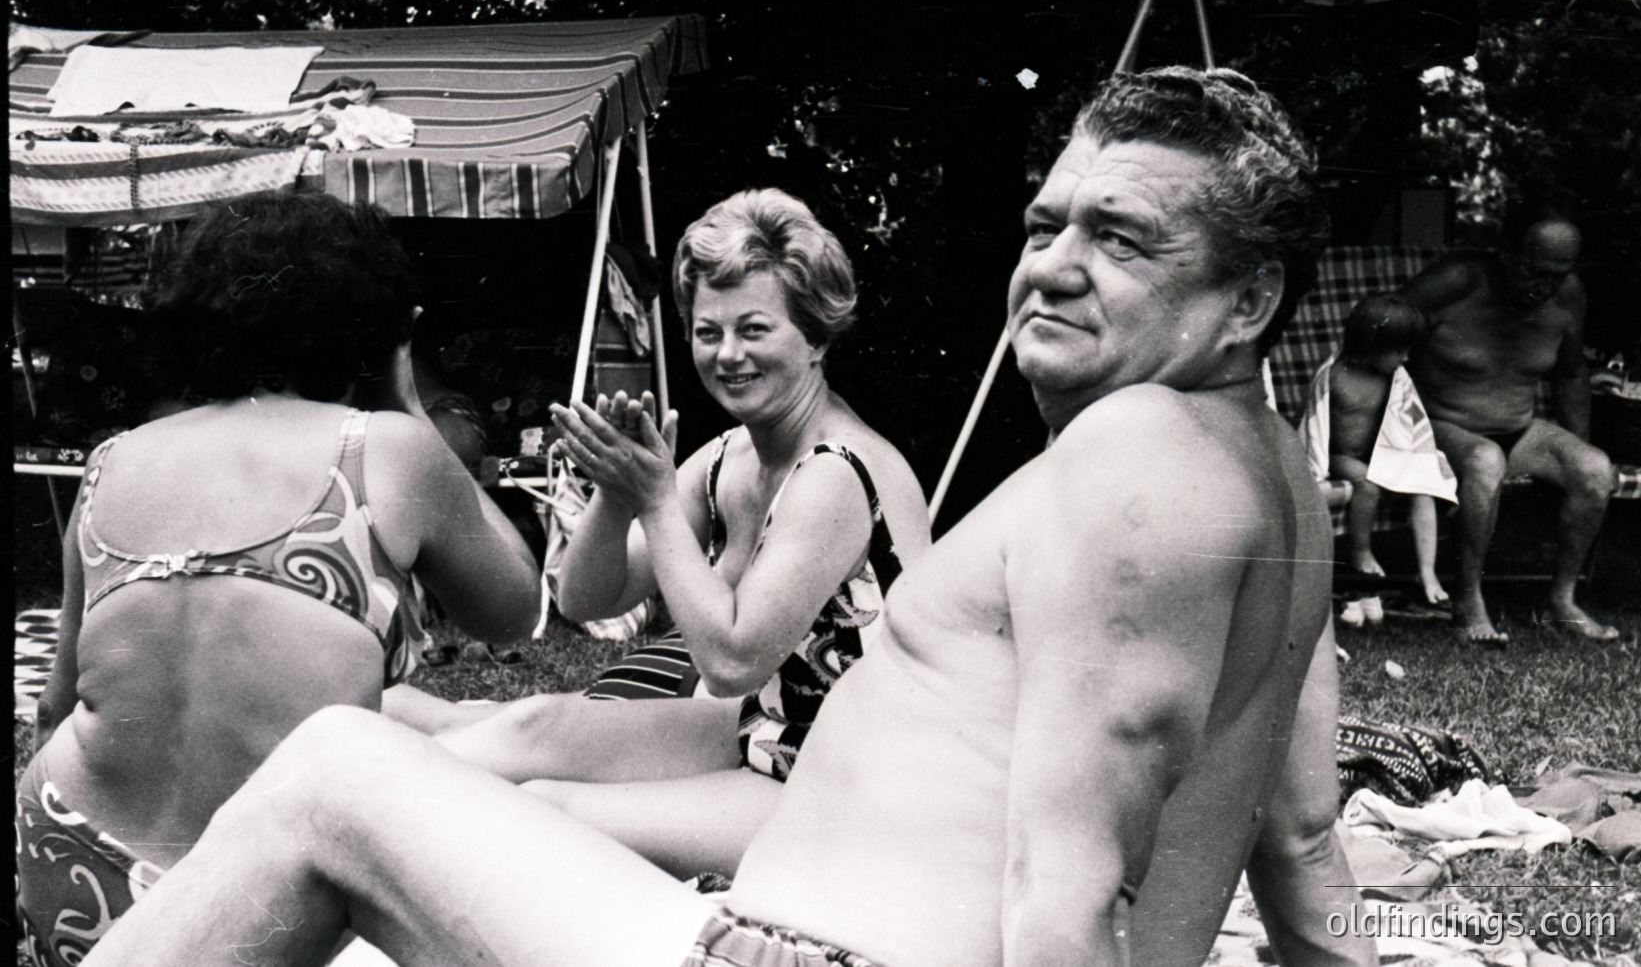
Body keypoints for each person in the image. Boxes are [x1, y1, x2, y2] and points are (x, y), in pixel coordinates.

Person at [82, 68, 1374, 967]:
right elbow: (1304, 852)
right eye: (1047, 222)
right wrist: (626, 493)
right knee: (422, 745)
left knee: (331, 769)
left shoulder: (1133, 461)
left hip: (812, 951)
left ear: (1248, 297)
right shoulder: (1269, 492)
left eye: (1122, 237)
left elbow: (1066, 885)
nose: (1052, 263)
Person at [16, 192, 541, 967]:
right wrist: (410, 403)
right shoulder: (382, 449)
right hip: (267, 891)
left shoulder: (114, 460)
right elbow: (515, 609)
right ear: (373, 326)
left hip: (73, 856)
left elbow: (58, 703)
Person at [420, 189, 932, 878]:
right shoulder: (732, 455)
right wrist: (616, 492)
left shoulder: (836, 472)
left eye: (754, 329)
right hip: (770, 731)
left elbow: (729, 661)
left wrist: (657, 500)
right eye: (707, 330)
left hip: (860, 784)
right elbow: (584, 598)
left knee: (549, 810)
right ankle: (350, 797)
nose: (727, 355)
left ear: (813, 338)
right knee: (536, 723)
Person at [1400, 213, 1619, 644]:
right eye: (1535, 272)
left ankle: (1563, 602)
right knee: (1486, 459)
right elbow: (1380, 331)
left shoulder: (1567, 297)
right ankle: (1468, 601)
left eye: (1559, 275)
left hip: (1519, 429)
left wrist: (1576, 444)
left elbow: (1572, 374)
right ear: (1506, 255)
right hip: (1439, 427)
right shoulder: (1455, 281)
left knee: (1594, 468)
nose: (1545, 287)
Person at [1325, 295, 1453, 605]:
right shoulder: (1334, 376)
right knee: (1367, 484)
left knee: (1424, 481)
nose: (1406, 358)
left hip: (1382, 452)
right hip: (1341, 456)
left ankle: (1427, 570)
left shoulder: (1394, 379)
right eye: (1399, 350)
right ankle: (1360, 550)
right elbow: (1312, 422)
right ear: (1370, 345)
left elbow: (1405, 419)